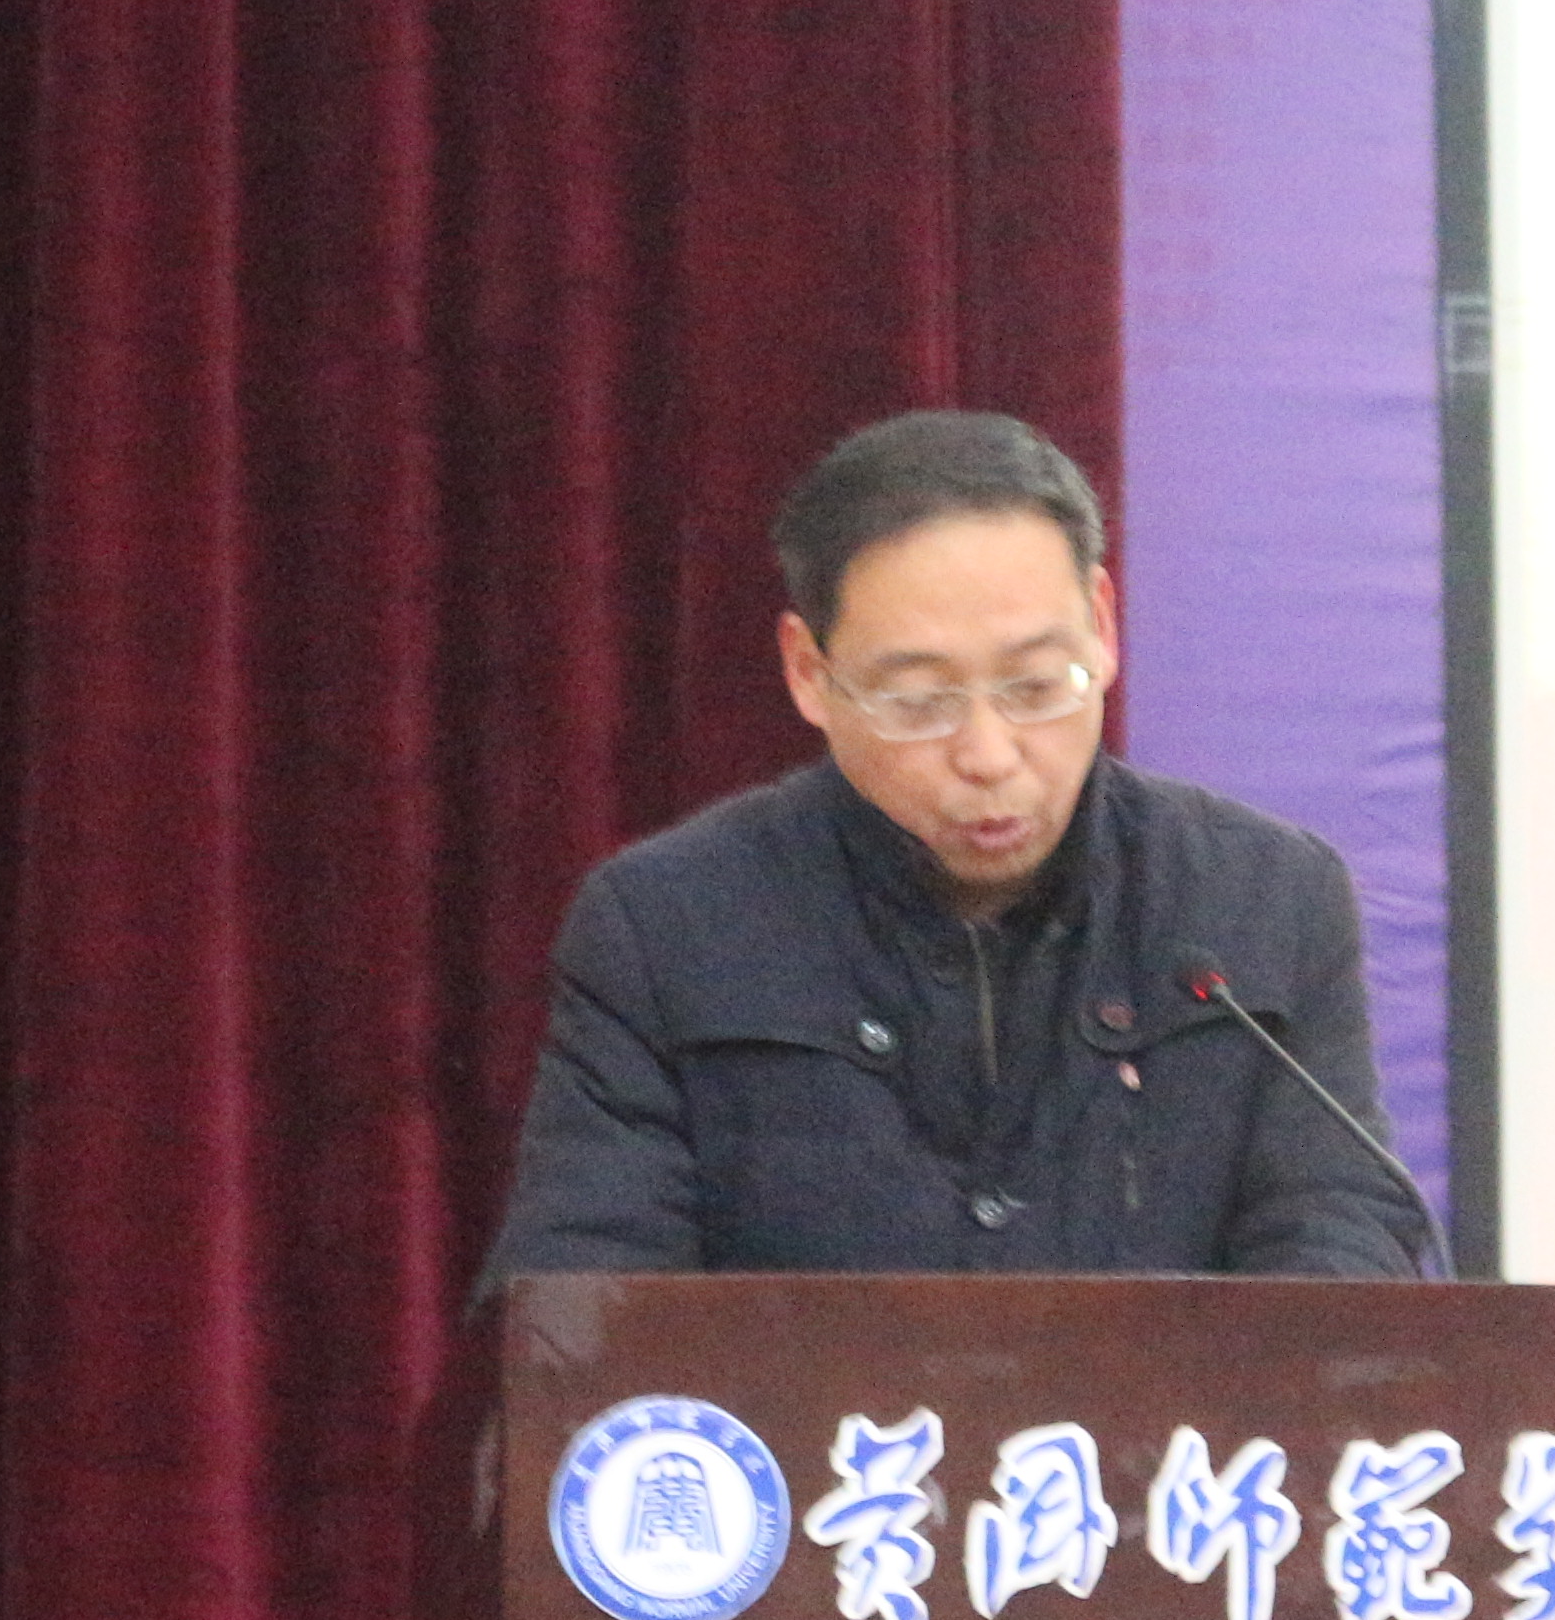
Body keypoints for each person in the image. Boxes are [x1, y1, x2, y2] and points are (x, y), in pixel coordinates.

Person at [484, 410, 1437, 1281]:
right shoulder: (668, 928)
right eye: (918, 702)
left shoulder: (1264, 900)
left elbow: (1340, 1255)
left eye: (1036, 687)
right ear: (809, 673)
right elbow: (583, 1311)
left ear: (1103, 628)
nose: (988, 756)